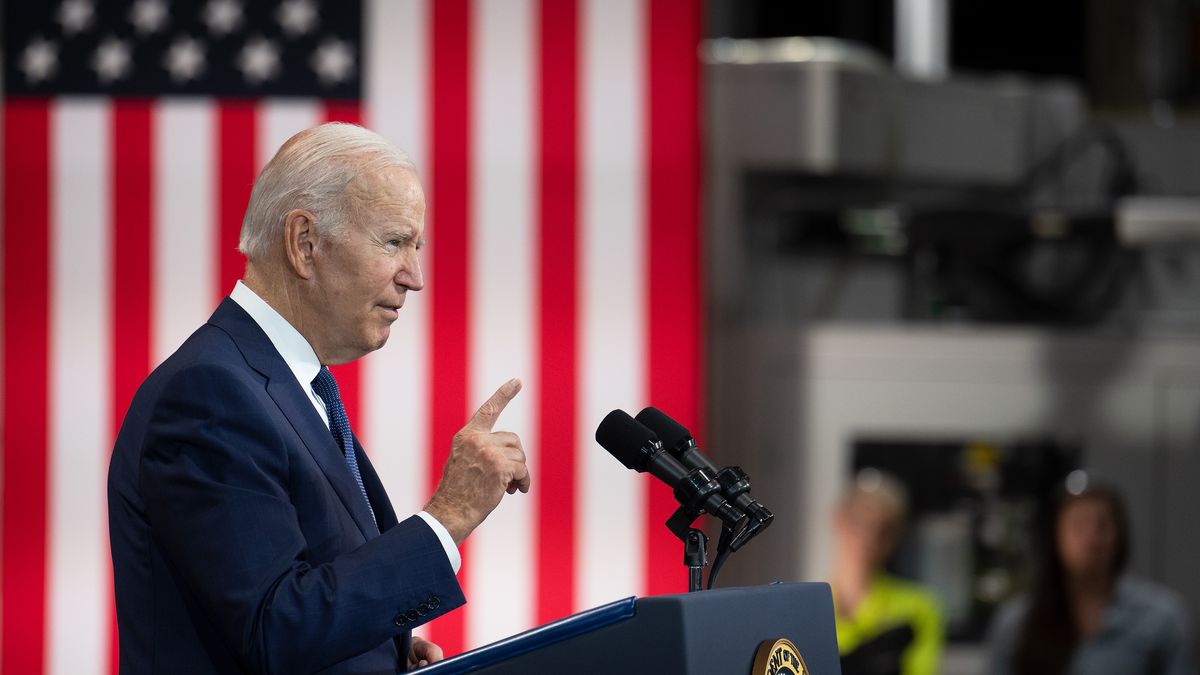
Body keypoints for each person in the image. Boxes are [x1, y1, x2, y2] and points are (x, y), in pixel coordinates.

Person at [108, 123, 530, 674]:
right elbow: (276, 626)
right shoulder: (209, 397)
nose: (415, 277)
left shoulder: (290, 389)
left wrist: (384, 651)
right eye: (395, 242)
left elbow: (302, 601)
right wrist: (448, 517)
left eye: (416, 246)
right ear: (305, 243)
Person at [987, 481, 1196, 675]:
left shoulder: (1160, 618)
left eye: (1101, 525)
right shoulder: (1017, 624)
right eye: (1078, 525)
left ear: (1119, 535)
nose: (1091, 537)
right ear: (1056, 535)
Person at [831, 470, 944, 675]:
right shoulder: (808, 605)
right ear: (839, 520)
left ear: (895, 537)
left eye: (882, 529)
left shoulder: (918, 608)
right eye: (859, 523)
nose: (869, 539)